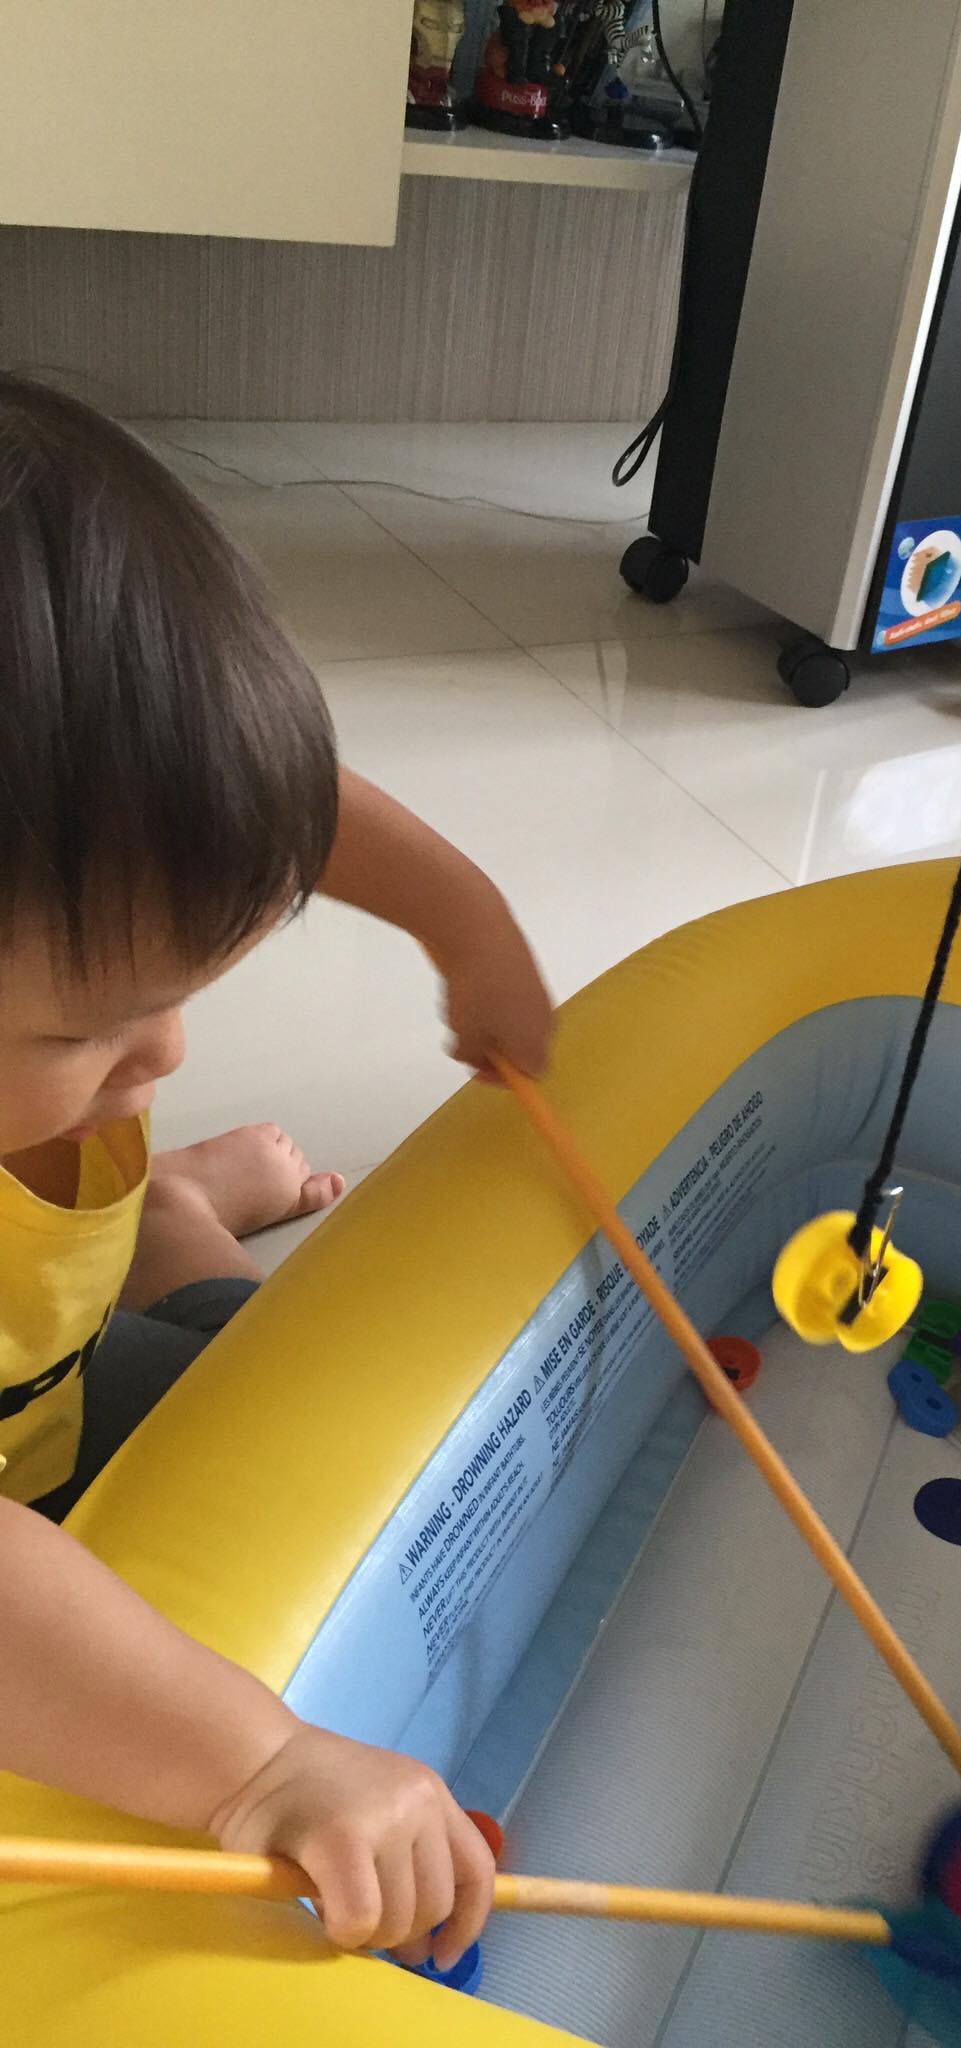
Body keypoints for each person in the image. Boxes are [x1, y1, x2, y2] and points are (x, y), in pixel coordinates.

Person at [0, 376, 554, 1972]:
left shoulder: (84, 881)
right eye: (89, 1026)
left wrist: (468, 927)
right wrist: (262, 1767)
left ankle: (177, 1217)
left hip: (51, 1373)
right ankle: (181, 1221)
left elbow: (285, 812)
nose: (169, 1049)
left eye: (179, 992)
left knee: (295, 1410)